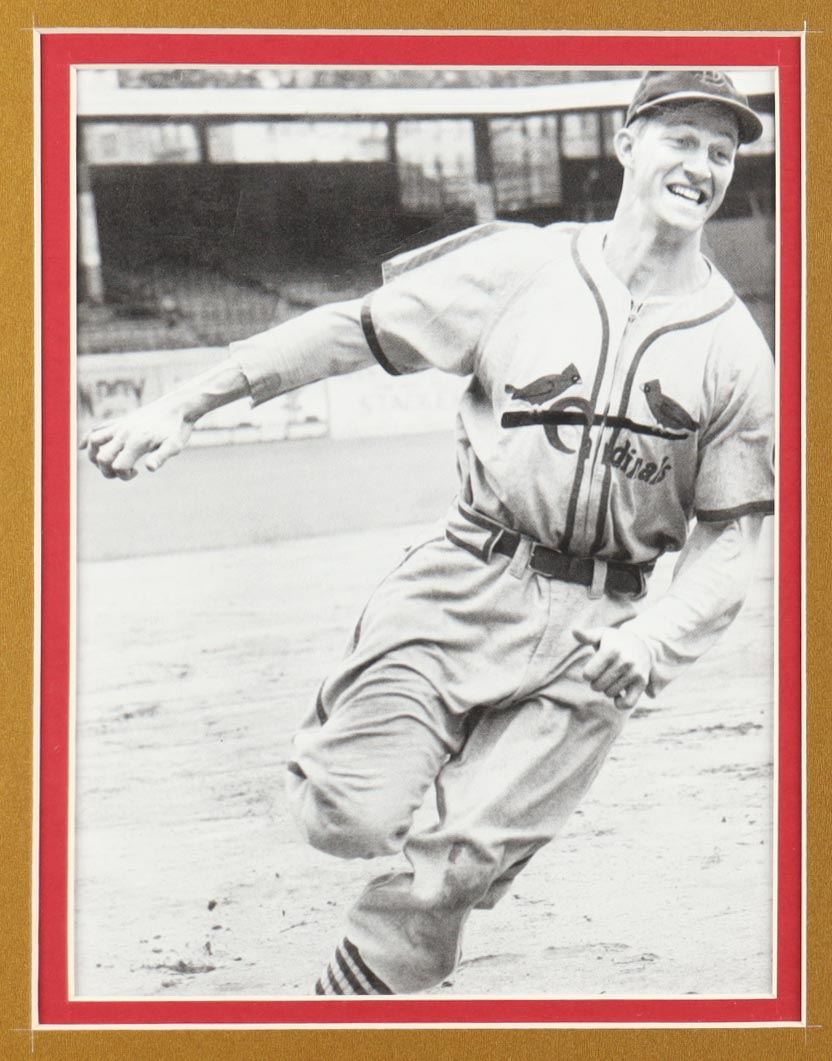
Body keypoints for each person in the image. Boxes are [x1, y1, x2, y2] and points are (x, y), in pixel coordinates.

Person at [82, 70, 774, 996]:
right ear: (626, 144)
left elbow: (731, 538)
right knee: (346, 815)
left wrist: (656, 636)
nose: (701, 165)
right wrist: (188, 402)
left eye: (721, 151)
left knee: (460, 861)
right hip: (466, 578)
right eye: (680, 140)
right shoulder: (523, 267)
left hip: (601, 629)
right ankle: (364, 758)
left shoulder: (737, 351)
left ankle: (347, 1010)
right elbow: (351, 330)